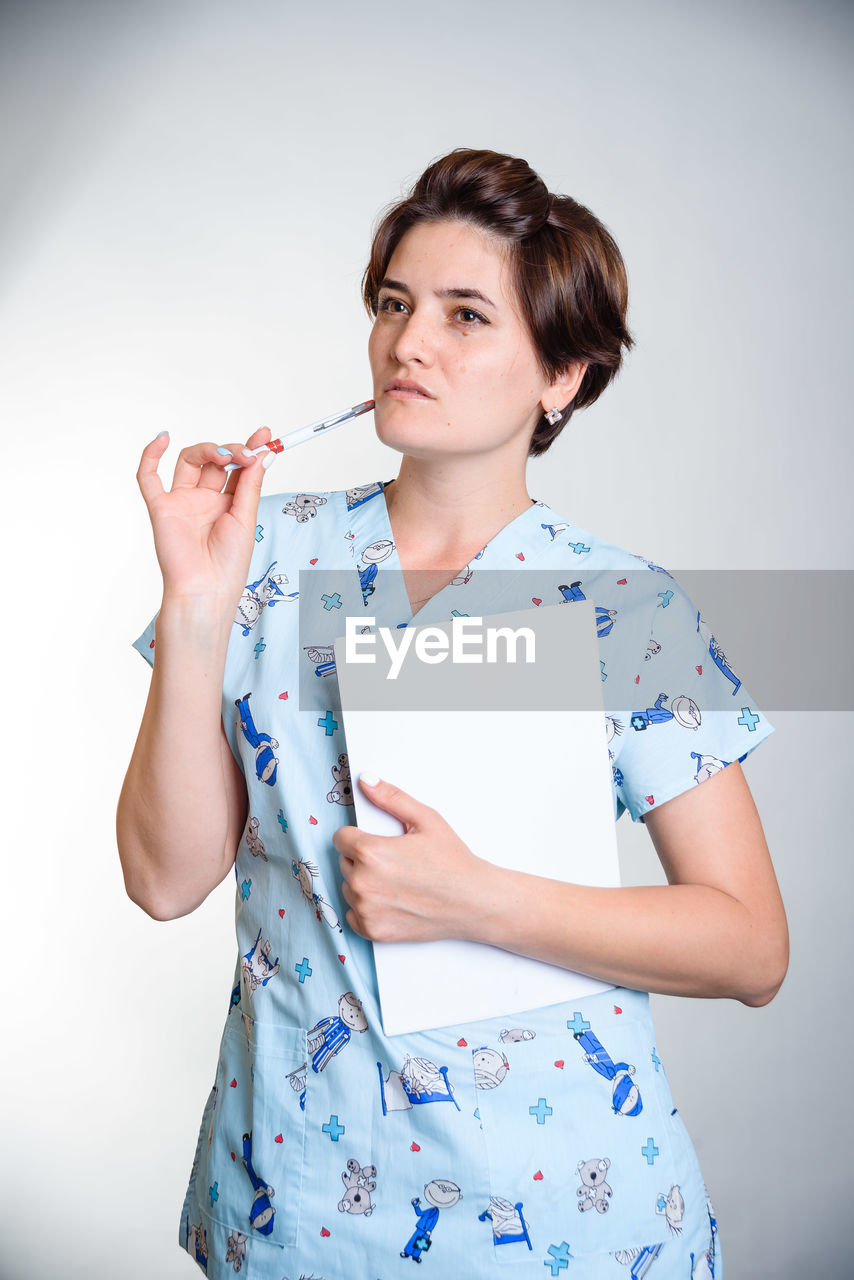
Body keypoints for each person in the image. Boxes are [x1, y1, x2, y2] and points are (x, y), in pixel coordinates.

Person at [117, 148, 788, 1278]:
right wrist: (194, 606)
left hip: (568, 1223)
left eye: (464, 314)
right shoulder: (261, 557)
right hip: (293, 1209)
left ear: (561, 375)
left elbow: (749, 944)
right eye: (392, 303)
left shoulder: (622, 608)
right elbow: (163, 878)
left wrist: (476, 897)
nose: (405, 342)